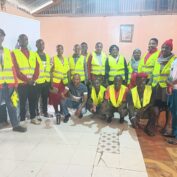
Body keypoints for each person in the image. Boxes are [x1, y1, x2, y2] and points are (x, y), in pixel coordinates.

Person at [0, 28, 26, 132]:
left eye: (2, 36)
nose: (0, 37)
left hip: (9, 84)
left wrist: (15, 82)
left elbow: (12, 68)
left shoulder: (7, 51)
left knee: (12, 106)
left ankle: (15, 125)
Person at [12, 34, 40, 125]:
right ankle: (22, 120)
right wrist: (28, 80)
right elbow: (16, 70)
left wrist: (34, 79)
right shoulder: (14, 52)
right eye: (22, 40)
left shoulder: (33, 53)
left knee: (33, 101)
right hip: (22, 84)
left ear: (28, 41)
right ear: (18, 41)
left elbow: (37, 67)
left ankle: (33, 117)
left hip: (33, 83)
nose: (24, 41)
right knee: (22, 103)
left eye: (26, 39)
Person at [151, 39, 175, 135]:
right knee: (156, 104)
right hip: (157, 86)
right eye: (163, 47)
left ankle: (167, 126)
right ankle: (155, 122)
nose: (164, 49)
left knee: (167, 107)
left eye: (167, 48)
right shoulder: (158, 58)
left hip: (167, 87)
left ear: (170, 49)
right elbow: (154, 72)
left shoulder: (174, 60)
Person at [49, 44, 70, 123]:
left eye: (61, 49)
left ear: (63, 50)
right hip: (55, 82)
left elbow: (68, 71)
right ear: (56, 50)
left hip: (64, 82)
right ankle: (56, 111)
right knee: (55, 98)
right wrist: (51, 83)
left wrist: (68, 82)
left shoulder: (66, 59)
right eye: (58, 49)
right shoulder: (53, 59)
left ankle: (62, 111)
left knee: (62, 97)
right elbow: (50, 72)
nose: (59, 50)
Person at [35, 39, 51, 117]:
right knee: (36, 99)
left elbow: (49, 70)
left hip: (46, 81)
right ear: (36, 45)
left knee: (45, 98)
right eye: (39, 44)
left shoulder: (47, 56)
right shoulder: (34, 55)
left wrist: (50, 81)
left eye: (43, 44)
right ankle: (36, 113)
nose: (41, 45)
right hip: (37, 82)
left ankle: (45, 112)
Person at [167, 56, 177, 145]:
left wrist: (172, 83)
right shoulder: (175, 60)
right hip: (172, 89)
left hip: (175, 88)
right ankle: (174, 133)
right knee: (173, 112)